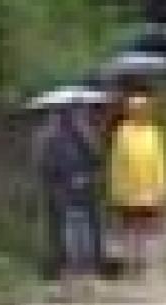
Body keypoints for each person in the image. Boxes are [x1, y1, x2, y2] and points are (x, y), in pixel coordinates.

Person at [38, 96, 109, 280]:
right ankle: (77, 265)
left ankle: (83, 265)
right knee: (73, 227)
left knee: (81, 227)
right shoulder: (53, 137)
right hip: (67, 190)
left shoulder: (80, 135)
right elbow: (47, 167)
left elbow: (97, 159)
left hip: (79, 189)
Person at [109, 91, 166, 278]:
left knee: (147, 228)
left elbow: (160, 161)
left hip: (150, 190)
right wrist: (117, 189)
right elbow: (117, 163)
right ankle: (130, 263)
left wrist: (162, 188)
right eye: (136, 109)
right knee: (129, 228)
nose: (140, 113)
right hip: (128, 190)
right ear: (129, 111)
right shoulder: (122, 132)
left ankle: (144, 263)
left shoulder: (153, 132)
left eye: (143, 109)